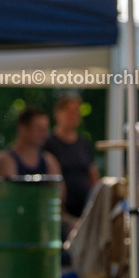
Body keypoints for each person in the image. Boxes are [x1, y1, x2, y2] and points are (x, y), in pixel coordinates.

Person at [43, 93, 99, 226]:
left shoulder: (84, 143)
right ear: (57, 113)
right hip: (59, 215)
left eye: (76, 111)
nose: (73, 115)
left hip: (85, 212)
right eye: (68, 110)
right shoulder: (48, 143)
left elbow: (93, 175)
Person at [0, 107, 62, 178]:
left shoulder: (49, 161)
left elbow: (59, 188)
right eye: (38, 129)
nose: (44, 134)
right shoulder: (6, 160)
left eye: (45, 129)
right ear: (23, 128)